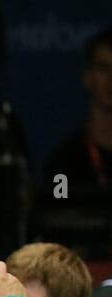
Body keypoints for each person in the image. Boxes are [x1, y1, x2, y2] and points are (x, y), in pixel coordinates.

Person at [32, 27, 112, 260]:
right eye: (103, 68)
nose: (111, 79)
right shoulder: (64, 163)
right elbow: (55, 218)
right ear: (87, 77)